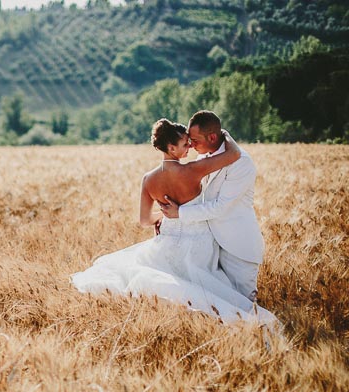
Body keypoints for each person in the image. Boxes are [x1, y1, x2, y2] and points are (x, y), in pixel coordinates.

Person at [70, 118, 276, 324]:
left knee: (170, 281)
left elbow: (144, 220)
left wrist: (166, 215)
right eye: (186, 144)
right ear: (171, 147)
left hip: (168, 237)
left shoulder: (148, 179)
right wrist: (226, 134)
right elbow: (233, 154)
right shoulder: (194, 169)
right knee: (201, 285)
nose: (191, 147)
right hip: (199, 240)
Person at [159, 110, 264, 301]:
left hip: (237, 248)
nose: (190, 144)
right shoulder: (204, 157)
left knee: (245, 305)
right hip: (208, 248)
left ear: (213, 137)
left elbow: (220, 207)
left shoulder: (242, 163)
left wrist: (179, 214)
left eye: (195, 140)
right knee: (218, 306)